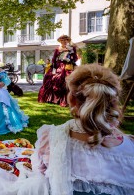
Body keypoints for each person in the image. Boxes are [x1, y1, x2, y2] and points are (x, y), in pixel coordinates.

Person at [12, 64, 134, 195]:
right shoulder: (131, 147)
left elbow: (41, 171)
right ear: (113, 101)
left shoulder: (51, 137)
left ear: (71, 99)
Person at [38, 34, 77, 107]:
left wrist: (70, 59)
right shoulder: (57, 49)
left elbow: (75, 58)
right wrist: (53, 68)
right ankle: (51, 99)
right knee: (50, 78)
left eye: (65, 40)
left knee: (68, 80)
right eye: (62, 40)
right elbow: (54, 59)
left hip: (68, 66)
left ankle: (68, 100)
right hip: (58, 66)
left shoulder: (72, 48)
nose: (64, 42)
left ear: (68, 41)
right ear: (60, 41)